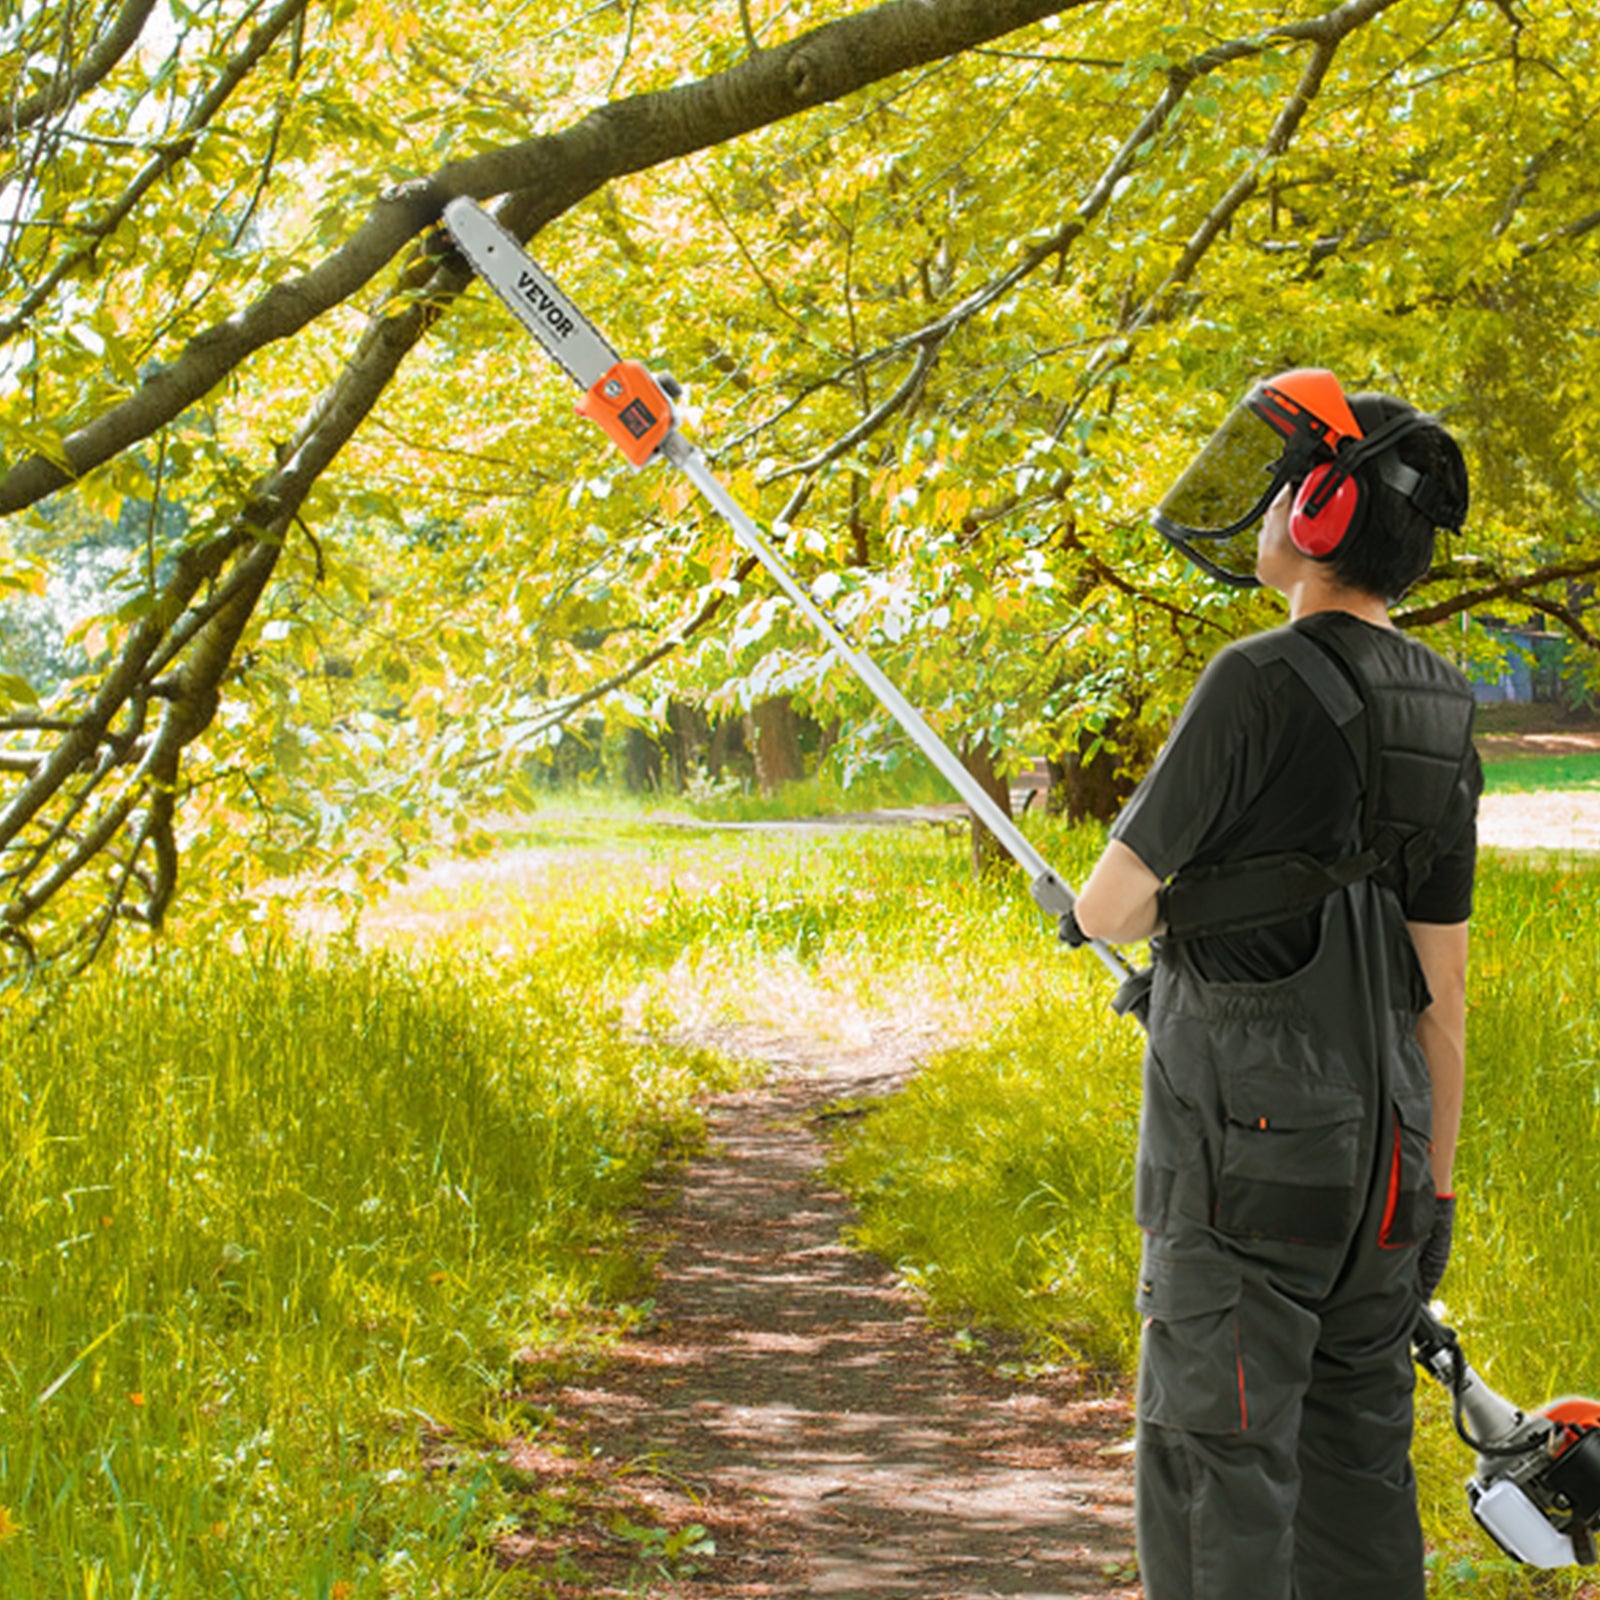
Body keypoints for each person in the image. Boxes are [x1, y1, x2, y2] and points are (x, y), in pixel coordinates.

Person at [1067, 369, 1480, 1600]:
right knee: (1356, 1485)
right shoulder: (1449, 707)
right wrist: (1436, 1197)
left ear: (1318, 517)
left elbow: (1108, 906)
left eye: (1282, 485)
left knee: (1217, 1476)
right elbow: (1440, 994)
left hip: (1246, 1168)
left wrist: (1172, 939)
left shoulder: (1255, 678)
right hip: (1389, 1176)